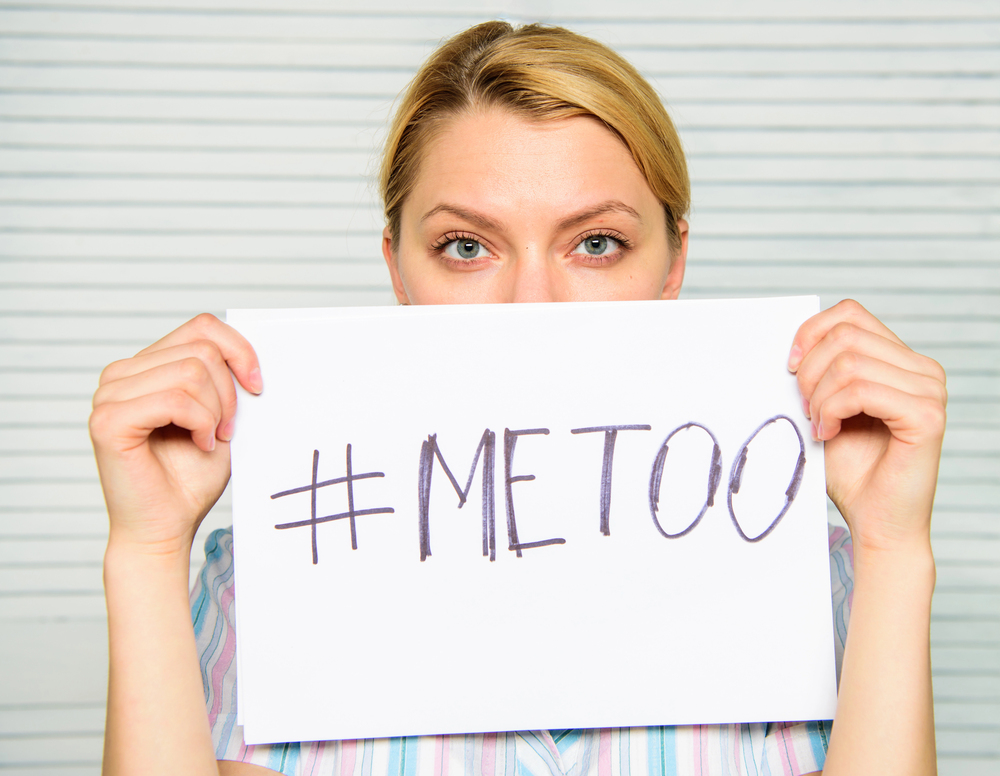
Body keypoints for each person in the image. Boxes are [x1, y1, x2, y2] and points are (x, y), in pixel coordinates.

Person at [90, 21, 944, 776]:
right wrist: (146, 550)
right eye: (466, 246)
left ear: (673, 266)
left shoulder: (819, 576)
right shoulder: (265, 581)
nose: (532, 304)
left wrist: (895, 546)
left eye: (598, 243)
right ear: (396, 269)